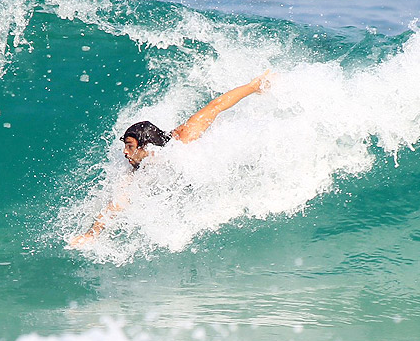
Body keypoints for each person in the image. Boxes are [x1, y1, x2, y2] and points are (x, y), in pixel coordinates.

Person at [68, 69, 274, 248]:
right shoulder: (136, 169)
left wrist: (254, 86)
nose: (124, 152)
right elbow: (117, 204)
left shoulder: (181, 139)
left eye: (129, 146)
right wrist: (92, 235)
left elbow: (216, 106)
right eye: (124, 146)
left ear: (145, 146)